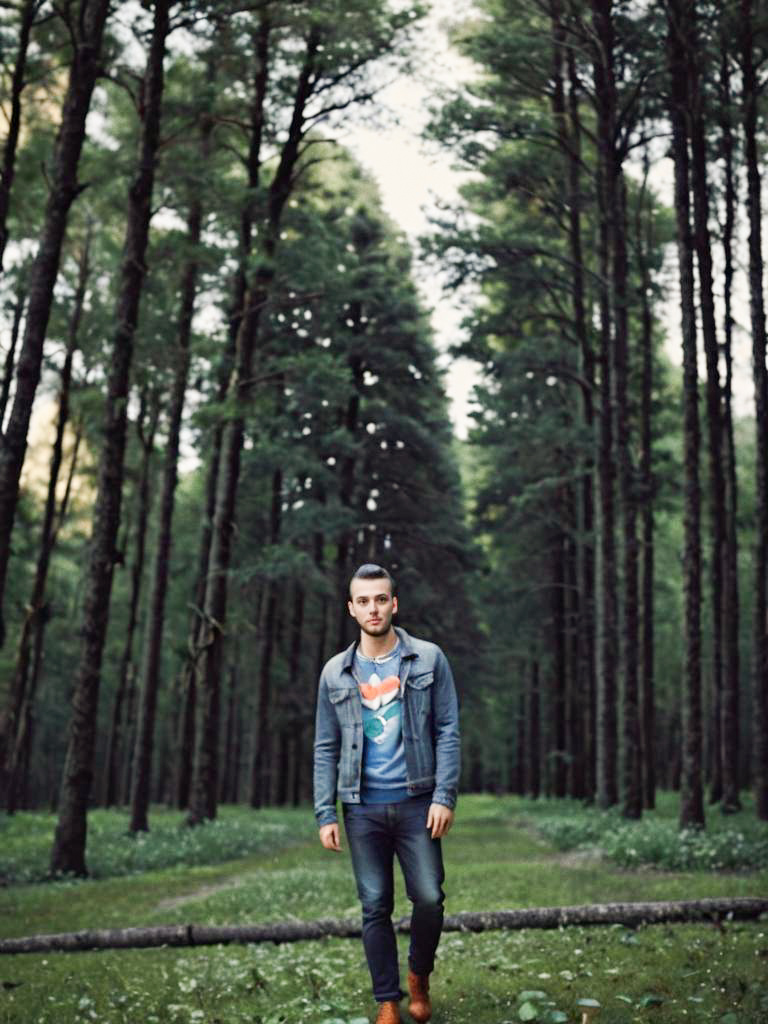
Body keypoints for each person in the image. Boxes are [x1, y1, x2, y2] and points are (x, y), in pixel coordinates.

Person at [313, 563, 460, 1024]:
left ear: (393, 604)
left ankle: (419, 974)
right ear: (351, 609)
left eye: (381, 599)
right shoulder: (336, 672)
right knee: (375, 904)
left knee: (430, 898)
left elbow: (448, 729)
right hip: (361, 807)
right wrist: (325, 812)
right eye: (363, 601)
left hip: (418, 801)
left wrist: (444, 795)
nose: (373, 608)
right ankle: (387, 1000)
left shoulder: (430, 658)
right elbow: (325, 745)